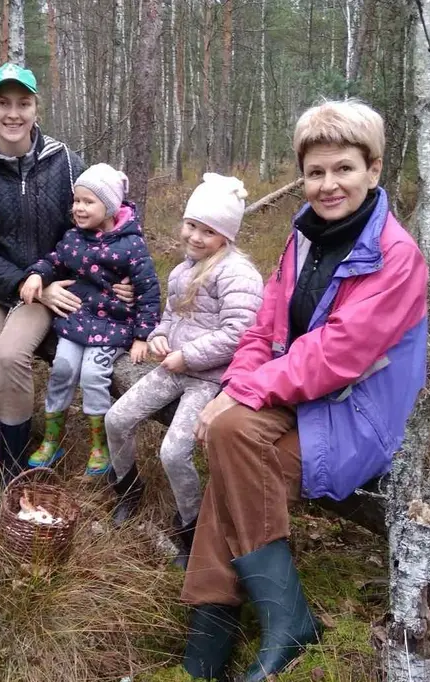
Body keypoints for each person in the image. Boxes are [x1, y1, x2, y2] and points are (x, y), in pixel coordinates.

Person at [180, 100, 429, 682]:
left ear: (373, 168)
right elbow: (265, 326)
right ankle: (270, 615)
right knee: (228, 432)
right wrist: (236, 387)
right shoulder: (303, 237)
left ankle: (229, 613)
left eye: (343, 168)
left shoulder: (396, 256)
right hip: (301, 395)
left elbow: (339, 355)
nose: (328, 184)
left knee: (233, 444)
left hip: (356, 414)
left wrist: (240, 396)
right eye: (315, 172)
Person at [0, 63, 134, 503]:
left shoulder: (64, 162)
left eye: (23, 104)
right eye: (3, 104)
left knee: (10, 357)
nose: (14, 114)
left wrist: (123, 276)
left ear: (35, 107)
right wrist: (21, 282)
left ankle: (13, 472)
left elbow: (108, 210)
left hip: (51, 287)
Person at [104, 174, 264, 569]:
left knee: (174, 452)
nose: (195, 236)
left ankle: (190, 525)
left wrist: (187, 355)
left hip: (210, 380)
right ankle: (127, 489)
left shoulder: (238, 274)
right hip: (174, 367)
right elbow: (171, 317)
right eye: (192, 225)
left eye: (208, 231)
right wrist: (159, 337)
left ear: (225, 236)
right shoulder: (181, 271)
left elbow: (240, 333)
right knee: (116, 418)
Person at [20, 163, 161, 477]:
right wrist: (36, 275)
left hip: (113, 326)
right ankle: (52, 439)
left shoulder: (131, 245)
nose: (79, 208)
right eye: (76, 201)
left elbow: (149, 290)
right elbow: (54, 261)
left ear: (109, 207)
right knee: (63, 370)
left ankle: (101, 444)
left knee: (94, 375)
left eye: (88, 202)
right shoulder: (74, 238)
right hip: (77, 320)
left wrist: (142, 335)